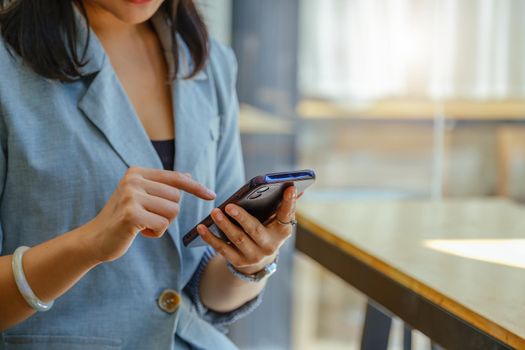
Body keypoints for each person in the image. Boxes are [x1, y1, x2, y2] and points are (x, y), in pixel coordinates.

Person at [0, 1, 298, 349]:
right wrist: (89, 244)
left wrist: (252, 263)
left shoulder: (210, 61)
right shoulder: (9, 71)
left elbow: (202, 294)